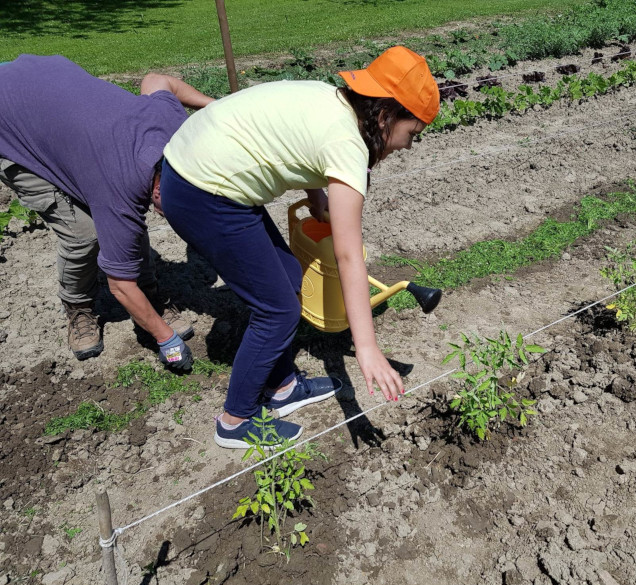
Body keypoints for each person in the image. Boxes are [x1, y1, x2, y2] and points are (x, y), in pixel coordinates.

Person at [159, 46, 440, 448]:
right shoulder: (348, 144)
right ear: (386, 115)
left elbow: (301, 142)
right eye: (412, 134)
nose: (408, 146)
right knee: (277, 310)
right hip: (203, 191)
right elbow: (347, 254)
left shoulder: (331, 100)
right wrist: (366, 348)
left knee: (290, 277)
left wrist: (314, 196)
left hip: (198, 169)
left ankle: (284, 387)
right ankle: (235, 421)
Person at [0, 54, 214, 368]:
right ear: (157, 188)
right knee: (83, 234)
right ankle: (78, 309)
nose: (174, 217)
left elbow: (156, 80)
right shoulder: (120, 190)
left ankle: (149, 294)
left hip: (49, 83)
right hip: (12, 120)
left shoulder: (175, 130)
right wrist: (166, 338)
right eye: (175, 210)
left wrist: (217, 105)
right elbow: (119, 285)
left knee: (121, 220)